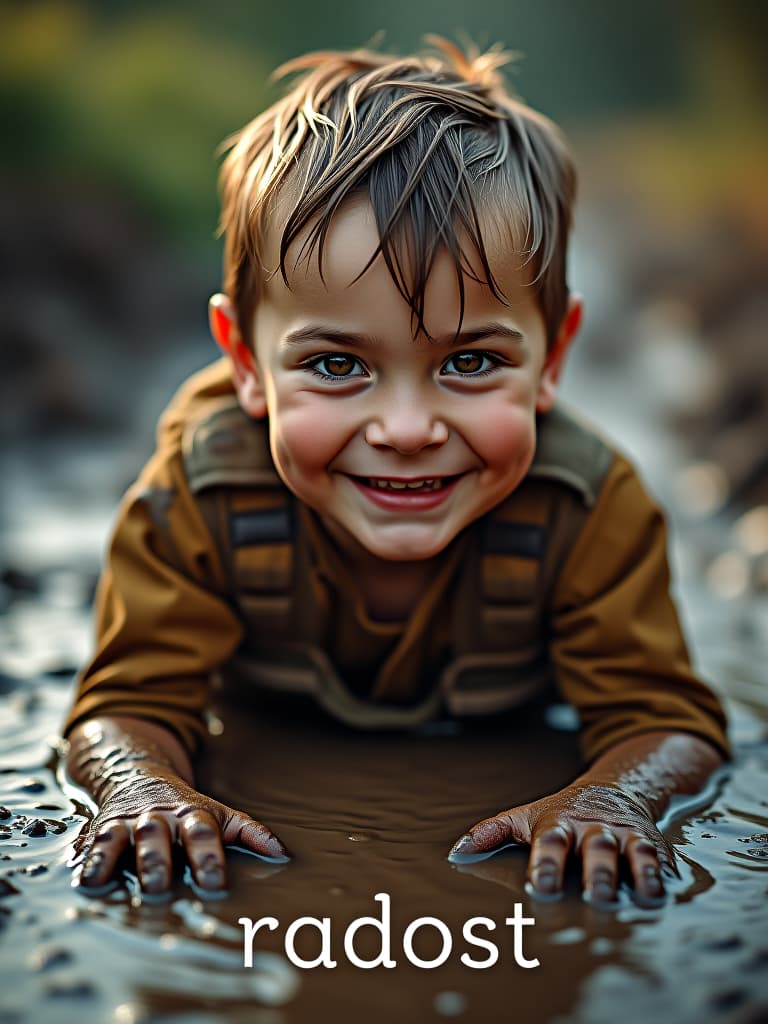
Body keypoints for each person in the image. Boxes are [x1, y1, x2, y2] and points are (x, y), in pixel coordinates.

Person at [62, 38, 730, 905]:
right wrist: (141, 785)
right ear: (245, 366)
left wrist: (612, 796)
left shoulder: (589, 506)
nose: (408, 430)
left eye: (471, 362)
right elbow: (123, 705)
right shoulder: (198, 491)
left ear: (554, 359)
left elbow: (668, 722)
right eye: (338, 366)